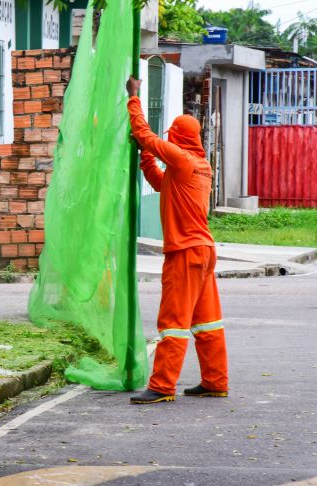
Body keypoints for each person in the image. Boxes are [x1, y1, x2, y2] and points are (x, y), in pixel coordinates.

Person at [125, 76, 228, 404]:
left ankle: (162, 386)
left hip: (185, 252)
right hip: (205, 251)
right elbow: (160, 183)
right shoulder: (200, 166)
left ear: (178, 138)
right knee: (206, 321)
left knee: (173, 322)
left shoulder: (182, 160)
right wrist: (144, 157)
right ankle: (215, 380)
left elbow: (145, 134)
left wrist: (134, 97)